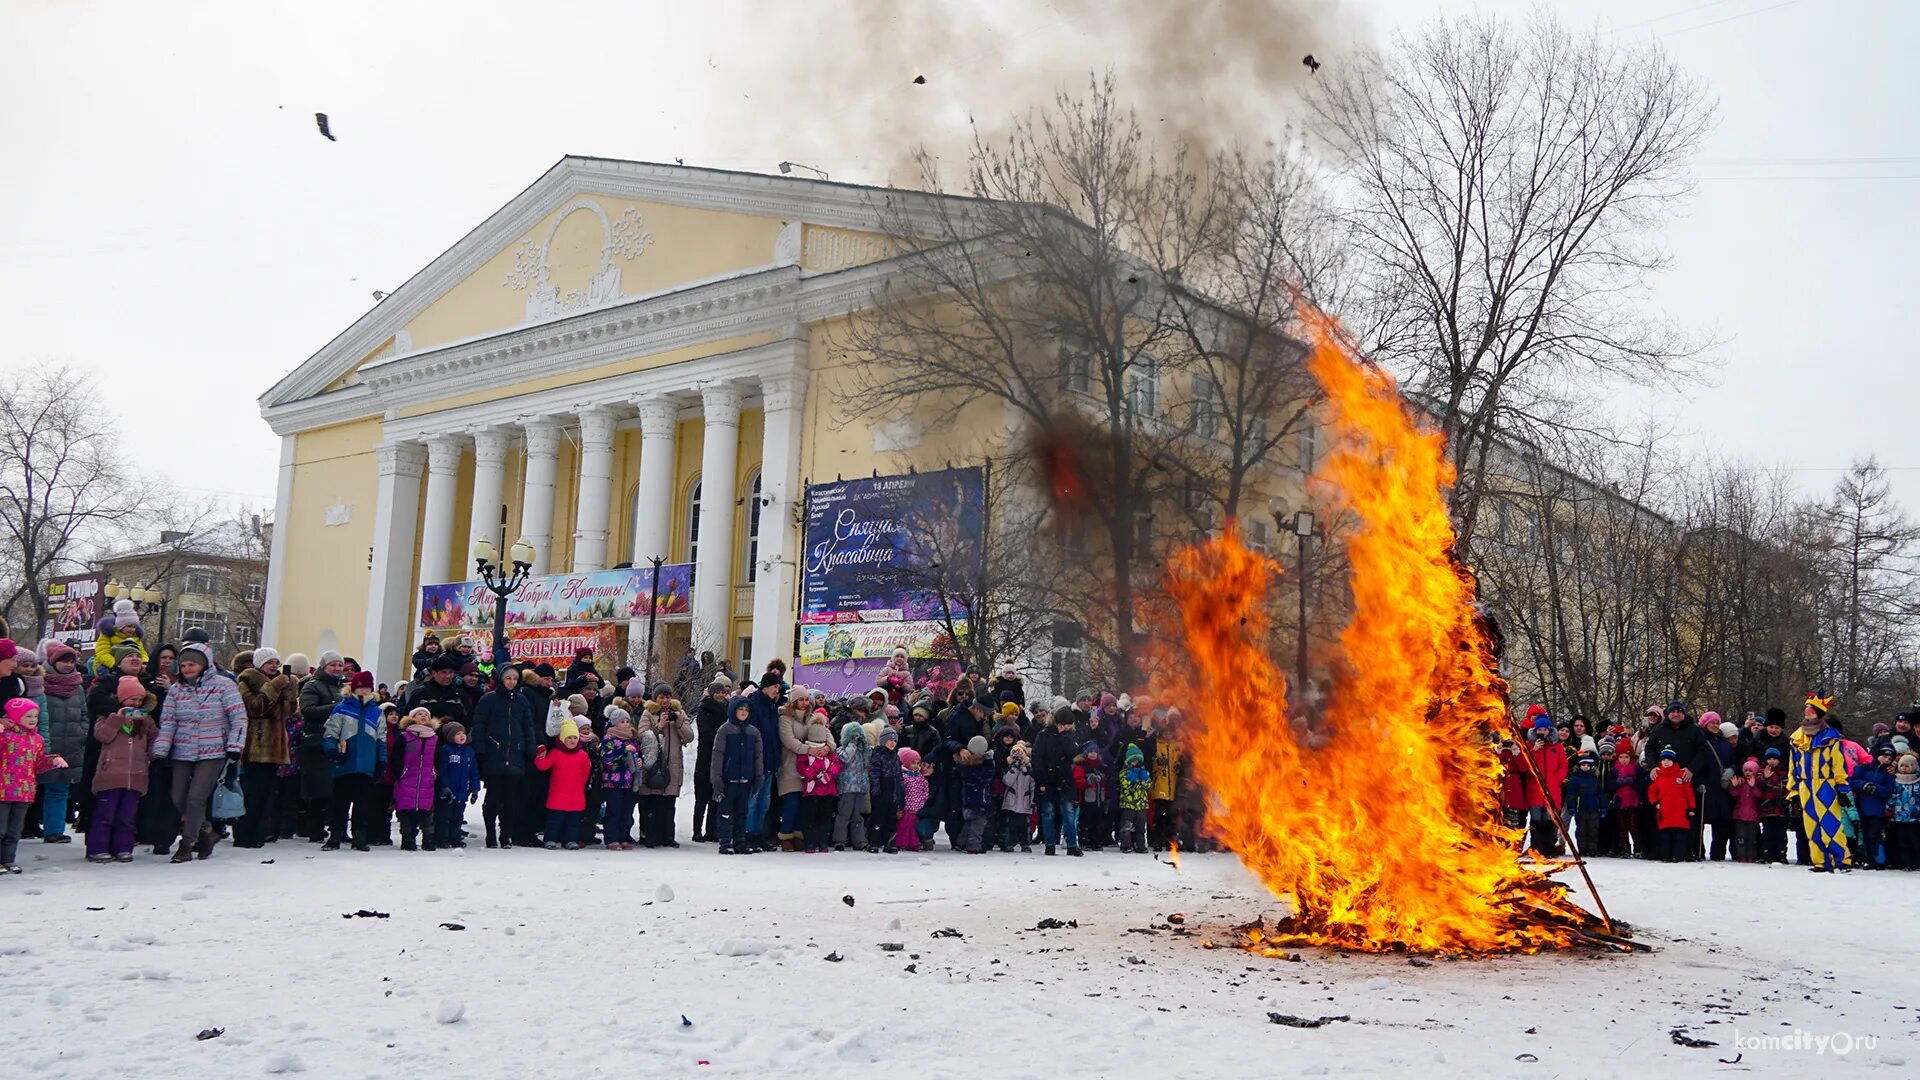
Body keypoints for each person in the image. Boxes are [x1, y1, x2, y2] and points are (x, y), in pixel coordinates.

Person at [151, 641, 248, 863]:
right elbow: (168, 722)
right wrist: (160, 750)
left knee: (196, 797)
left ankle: (186, 844)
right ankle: (206, 830)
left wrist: (235, 746)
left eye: (192, 664)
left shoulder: (224, 686)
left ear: (204, 665)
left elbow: (238, 718)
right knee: (178, 797)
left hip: (212, 749)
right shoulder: (176, 690)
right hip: (182, 750)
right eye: (183, 665)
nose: (187, 669)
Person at [234, 648, 297, 848]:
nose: (274, 665)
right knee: (251, 791)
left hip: (275, 746)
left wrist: (290, 691)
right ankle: (244, 834)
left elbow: (288, 712)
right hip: (255, 743)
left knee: (267, 793)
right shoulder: (247, 680)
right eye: (269, 661)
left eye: (276, 661)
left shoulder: (281, 681)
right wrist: (274, 687)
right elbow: (255, 707)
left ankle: (260, 833)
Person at [87, 677, 155, 863]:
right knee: (105, 815)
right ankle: (98, 848)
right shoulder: (108, 718)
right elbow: (102, 736)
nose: (136, 704)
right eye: (132, 700)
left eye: (140, 700)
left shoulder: (145, 721)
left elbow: (153, 741)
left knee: (127, 817)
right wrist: (118, 718)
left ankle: (123, 848)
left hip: (136, 776)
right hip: (110, 775)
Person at [471, 666, 535, 849]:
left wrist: (529, 749)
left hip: (515, 754)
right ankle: (490, 835)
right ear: (501, 679)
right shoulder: (489, 699)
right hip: (494, 754)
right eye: (508, 678)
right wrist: (481, 749)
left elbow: (527, 727)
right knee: (493, 799)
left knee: (511, 800)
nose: (511, 682)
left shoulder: (522, 701)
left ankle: (505, 835)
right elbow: (479, 725)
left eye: (515, 678)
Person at [1, 698, 67, 873]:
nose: (32, 719)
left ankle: (8, 860)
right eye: (27, 716)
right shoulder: (5, 736)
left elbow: (37, 765)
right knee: (0, 829)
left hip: (24, 792)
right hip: (2, 791)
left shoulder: (37, 739)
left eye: (35, 716)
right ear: (15, 716)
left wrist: (52, 760)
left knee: (14, 831)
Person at [322, 672, 386, 851]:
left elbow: (381, 739)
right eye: (359, 687)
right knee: (339, 802)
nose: (363, 691)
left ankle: (360, 835)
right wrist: (332, 751)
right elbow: (331, 732)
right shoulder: (342, 708)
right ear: (352, 688)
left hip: (366, 765)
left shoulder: (376, 712)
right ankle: (335, 834)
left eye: (366, 687)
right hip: (344, 763)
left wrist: (381, 761)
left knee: (363, 803)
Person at [1790, 693, 1853, 871]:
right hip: (1805, 785)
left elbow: (1838, 765)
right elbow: (1793, 766)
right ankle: (1821, 861)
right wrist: (1793, 790)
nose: (1807, 713)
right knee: (1811, 825)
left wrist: (1842, 788)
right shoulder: (1797, 737)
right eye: (1805, 710)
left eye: (1810, 710)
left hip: (1826, 784)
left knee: (1831, 824)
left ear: (1818, 713)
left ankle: (1842, 860)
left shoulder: (1831, 737)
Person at [35, 641, 88, 844]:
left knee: (59, 789)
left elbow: (84, 713)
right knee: (33, 788)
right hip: (46, 743)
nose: (67, 665)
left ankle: (54, 830)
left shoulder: (77, 685)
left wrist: (81, 732)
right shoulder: (42, 682)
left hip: (71, 745)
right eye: (63, 661)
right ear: (53, 661)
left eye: (71, 661)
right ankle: (24, 827)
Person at [296, 652, 348, 842]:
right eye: (333, 665)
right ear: (324, 667)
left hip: (338, 741)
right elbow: (308, 711)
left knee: (338, 789)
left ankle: (338, 829)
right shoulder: (312, 685)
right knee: (318, 788)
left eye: (339, 665)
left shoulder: (342, 687)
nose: (337, 669)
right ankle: (315, 829)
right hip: (316, 740)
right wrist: (335, 708)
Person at [636, 687, 693, 847]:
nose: (665, 701)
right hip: (654, 764)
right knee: (652, 802)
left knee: (669, 803)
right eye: (662, 697)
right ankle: (650, 835)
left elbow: (689, 736)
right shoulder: (648, 713)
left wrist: (679, 722)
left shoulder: (679, 713)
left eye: (668, 697)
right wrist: (659, 725)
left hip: (673, 765)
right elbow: (642, 736)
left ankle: (668, 835)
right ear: (656, 698)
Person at [710, 696, 765, 856]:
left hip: (745, 779)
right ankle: (725, 842)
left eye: (746, 710)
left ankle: (740, 841)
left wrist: (758, 776)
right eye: (740, 709)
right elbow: (718, 756)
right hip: (729, 778)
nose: (743, 712)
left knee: (742, 811)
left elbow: (758, 757)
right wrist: (717, 780)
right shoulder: (725, 730)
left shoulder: (753, 732)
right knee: (726, 811)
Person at [535, 717, 592, 849]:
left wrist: (580, 786)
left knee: (573, 821)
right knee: (554, 820)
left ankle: (571, 840)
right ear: (562, 739)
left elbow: (586, 772)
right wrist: (540, 756)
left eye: (574, 737)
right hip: (558, 794)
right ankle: (550, 839)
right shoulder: (555, 753)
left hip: (576, 795)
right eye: (569, 737)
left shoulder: (582, 755)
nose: (572, 740)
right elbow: (544, 766)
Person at [1033, 708, 1082, 857]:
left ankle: (1072, 844)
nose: (1066, 727)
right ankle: (1050, 844)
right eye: (1063, 724)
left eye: (1068, 725)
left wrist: (1065, 737)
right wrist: (1040, 780)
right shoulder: (1044, 735)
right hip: (1048, 779)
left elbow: (1073, 753)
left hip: (1065, 779)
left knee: (1068, 812)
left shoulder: (1070, 736)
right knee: (1048, 812)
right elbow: (1038, 757)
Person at [392, 709, 441, 851]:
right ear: (412, 718)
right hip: (407, 779)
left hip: (427, 780)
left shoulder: (434, 738)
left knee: (426, 812)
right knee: (407, 812)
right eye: (420, 714)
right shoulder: (405, 736)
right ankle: (408, 839)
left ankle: (429, 840)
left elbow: (438, 759)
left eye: (426, 714)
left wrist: (435, 773)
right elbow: (397, 757)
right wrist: (400, 773)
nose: (423, 716)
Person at [691, 678, 731, 842]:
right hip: (706, 757)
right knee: (702, 798)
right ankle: (697, 831)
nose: (721, 695)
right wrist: (722, 738)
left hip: (721, 758)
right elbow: (706, 733)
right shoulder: (704, 710)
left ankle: (711, 830)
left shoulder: (728, 710)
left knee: (716, 795)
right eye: (718, 692)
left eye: (723, 692)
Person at [795, 714, 841, 853]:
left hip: (828, 790)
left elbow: (836, 765)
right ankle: (810, 842)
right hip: (811, 791)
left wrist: (829, 774)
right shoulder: (806, 751)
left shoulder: (829, 752)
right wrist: (815, 774)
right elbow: (801, 767)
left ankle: (823, 842)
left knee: (825, 818)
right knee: (810, 818)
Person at [1848, 745, 1897, 869]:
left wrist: (1875, 789)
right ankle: (1865, 858)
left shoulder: (1888, 773)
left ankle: (1878, 859)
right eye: (1883, 756)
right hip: (1862, 807)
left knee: (1874, 835)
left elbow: (1889, 789)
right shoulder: (1865, 768)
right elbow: (1853, 781)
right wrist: (1864, 785)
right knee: (1862, 834)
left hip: (1877, 810)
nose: (1886, 759)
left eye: (1889, 758)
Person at [599, 706, 641, 850]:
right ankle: (611, 838)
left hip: (629, 781)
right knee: (614, 811)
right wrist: (623, 750)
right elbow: (607, 758)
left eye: (627, 721)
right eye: (622, 721)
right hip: (614, 782)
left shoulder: (633, 739)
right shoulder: (609, 738)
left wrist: (639, 761)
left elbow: (637, 755)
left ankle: (623, 837)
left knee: (626, 812)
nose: (625, 724)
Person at [433, 721, 479, 850]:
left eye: (463, 733)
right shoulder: (445, 750)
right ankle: (442, 838)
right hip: (448, 792)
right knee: (444, 816)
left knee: (458, 817)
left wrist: (475, 788)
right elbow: (443, 771)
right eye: (457, 734)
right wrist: (444, 786)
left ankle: (455, 838)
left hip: (462, 791)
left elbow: (474, 772)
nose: (462, 736)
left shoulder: (469, 752)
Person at [1647, 748, 1695, 862]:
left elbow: (1689, 793)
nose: (1666, 762)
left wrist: (1691, 808)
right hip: (1665, 811)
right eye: (1664, 760)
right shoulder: (1658, 776)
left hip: (1680, 811)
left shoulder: (1681, 776)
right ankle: (1665, 855)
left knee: (1679, 836)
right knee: (1665, 836)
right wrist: (1655, 802)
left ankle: (1678, 856)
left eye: (1669, 760)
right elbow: (1651, 792)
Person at [833, 720, 871, 852]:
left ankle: (859, 840)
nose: (856, 737)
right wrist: (852, 745)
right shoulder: (841, 749)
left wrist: (865, 745)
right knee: (844, 814)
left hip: (860, 787)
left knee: (857, 816)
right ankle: (839, 840)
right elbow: (844, 758)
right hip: (847, 787)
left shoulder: (863, 751)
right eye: (853, 735)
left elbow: (868, 761)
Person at [867, 726, 904, 854]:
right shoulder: (877, 755)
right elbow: (874, 775)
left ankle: (890, 843)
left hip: (893, 791)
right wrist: (876, 792)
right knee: (878, 818)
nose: (892, 743)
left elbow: (899, 776)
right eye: (890, 740)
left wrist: (899, 793)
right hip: (882, 790)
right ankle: (874, 842)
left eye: (894, 741)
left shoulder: (895, 756)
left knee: (891, 819)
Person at [1606, 747, 1642, 858]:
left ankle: (1637, 847)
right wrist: (1617, 782)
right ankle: (1625, 847)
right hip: (1619, 801)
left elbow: (1641, 784)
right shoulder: (1614, 770)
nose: (1624, 760)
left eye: (1626, 757)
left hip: (1633, 801)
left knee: (1633, 825)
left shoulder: (1636, 769)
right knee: (1622, 826)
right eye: (1621, 757)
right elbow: (1609, 785)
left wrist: (1632, 782)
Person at [1886, 752, 1920, 870]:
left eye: (1907, 766)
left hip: (1915, 817)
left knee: (1915, 840)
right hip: (1900, 816)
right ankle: (1905, 862)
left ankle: (1916, 862)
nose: (1904, 769)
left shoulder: (1917, 781)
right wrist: (1888, 809)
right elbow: (1893, 796)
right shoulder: (1897, 781)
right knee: (1903, 841)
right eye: (1902, 766)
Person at [1117, 742, 1152, 854]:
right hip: (1128, 804)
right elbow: (1125, 786)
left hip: (1141, 805)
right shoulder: (1124, 773)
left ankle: (1140, 845)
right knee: (1126, 827)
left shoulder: (1144, 772)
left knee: (1140, 827)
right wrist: (1132, 776)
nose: (1135, 763)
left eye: (1137, 761)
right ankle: (1126, 845)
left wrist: (1144, 778)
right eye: (1133, 760)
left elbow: (1148, 785)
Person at [1000, 740, 1034, 854]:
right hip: (1011, 802)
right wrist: (1014, 768)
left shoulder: (1029, 769)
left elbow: (1032, 786)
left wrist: (1033, 801)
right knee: (1011, 825)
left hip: (1025, 802)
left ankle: (1025, 843)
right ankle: (1010, 843)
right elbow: (1007, 781)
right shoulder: (1009, 768)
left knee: (1024, 826)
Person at [1757, 749, 1791, 864]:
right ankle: (1766, 854)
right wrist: (1765, 779)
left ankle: (1781, 854)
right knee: (1767, 833)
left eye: (1775, 759)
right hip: (1767, 809)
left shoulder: (1784, 774)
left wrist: (1784, 800)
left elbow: (1788, 789)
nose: (1772, 761)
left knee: (1781, 834)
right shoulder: (1761, 773)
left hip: (1781, 810)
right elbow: (1758, 788)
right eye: (1770, 759)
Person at [1729, 759, 1763, 863]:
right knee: (1740, 838)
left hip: (1753, 816)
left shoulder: (1757, 784)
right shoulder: (1741, 783)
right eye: (1746, 770)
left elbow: (1759, 795)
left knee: (1752, 838)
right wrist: (1734, 786)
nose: (1748, 773)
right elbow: (1734, 794)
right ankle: (1741, 856)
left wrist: (1753, 787)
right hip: (1740, 816)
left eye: (1750, 770)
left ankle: (1752, 856)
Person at [896, 746, 929, 852]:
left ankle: (912, 843)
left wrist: (923, 799)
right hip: (906, 807)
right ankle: (903, 842)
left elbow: (925, 788)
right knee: (904, 826)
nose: (916, 766)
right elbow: (900, 790)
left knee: (912, 826)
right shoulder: (903, 776)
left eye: (918, 763)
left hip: (916, 807)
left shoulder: (919, 777)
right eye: (913, 763)